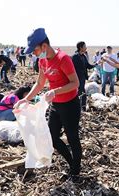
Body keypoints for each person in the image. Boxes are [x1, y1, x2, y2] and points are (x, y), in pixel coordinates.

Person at [17, 28, 81, 178]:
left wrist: (55, 91)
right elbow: (40, 83)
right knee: (52, 137)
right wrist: (26, 99)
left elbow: (75, 83)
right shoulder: (42, 61)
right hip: (56, 105)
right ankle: (72, 164)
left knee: (72, 138)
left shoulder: (63, 59)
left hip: (70, 104)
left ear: (44, 46)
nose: (34, 54)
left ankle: (75, 172)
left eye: (35, 50)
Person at [71, 41, 95, 111]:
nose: (86, 48)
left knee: (83, 93)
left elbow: (88, 66)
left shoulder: (83, 56)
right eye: (84, 46)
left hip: (82, 78)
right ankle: (76, 108)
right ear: (80, 47)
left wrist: (96, 64)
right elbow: (72, 68)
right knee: (78, 93)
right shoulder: (75, 57)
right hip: (77, 79)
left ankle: (83, 107)